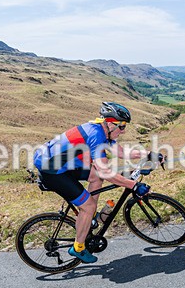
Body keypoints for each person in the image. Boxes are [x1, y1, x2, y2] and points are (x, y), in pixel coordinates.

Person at [33, 101, 164, 263]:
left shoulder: (101, 131)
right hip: (52, 171)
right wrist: (134, 185)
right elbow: (107, 172)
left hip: (60, 162)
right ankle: (79, 247)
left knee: (95, 176)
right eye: (122, 127)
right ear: (110, 124)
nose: (123, 131)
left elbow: (122, 153)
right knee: (88, 204)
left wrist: (149, 153)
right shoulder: (96, 135)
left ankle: (91, 217)